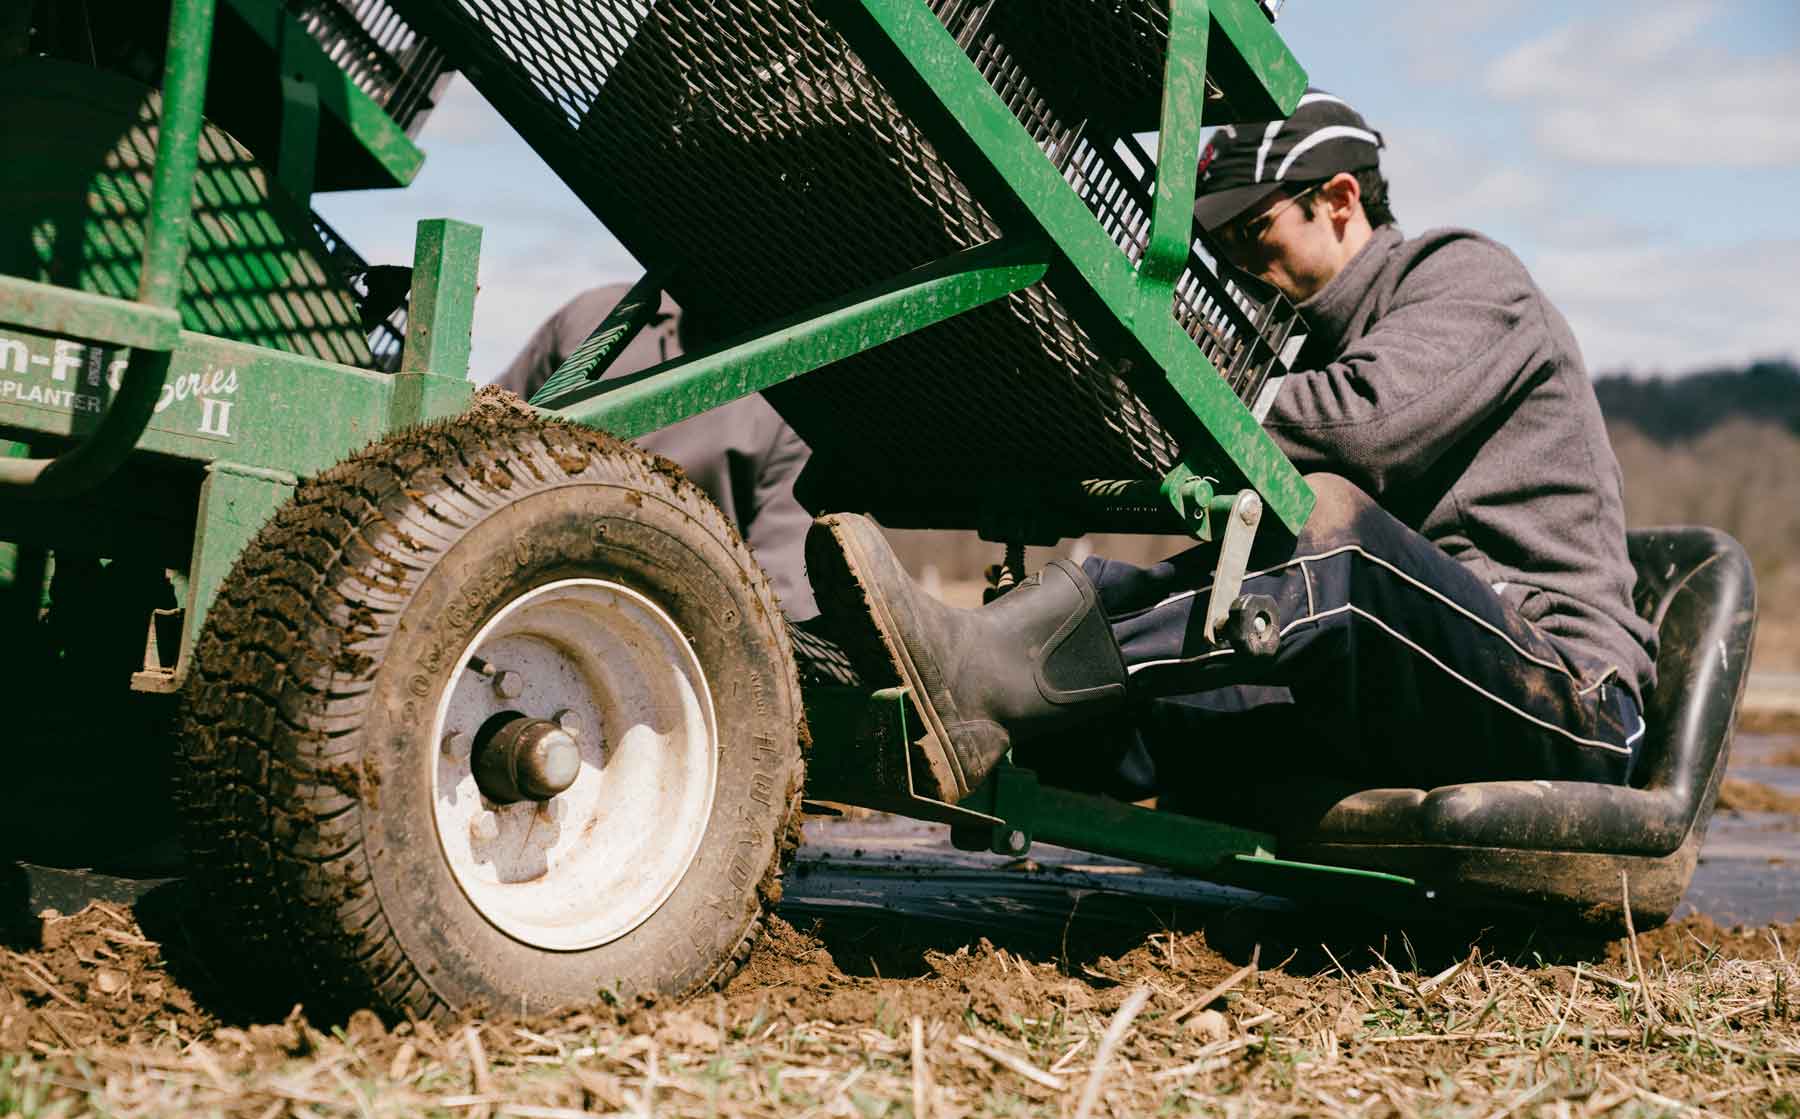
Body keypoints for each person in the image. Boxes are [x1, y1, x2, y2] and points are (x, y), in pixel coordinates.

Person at [806, 90, 1656, 810]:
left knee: (1328, 521)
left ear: (1340, 199)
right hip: (1408, 688)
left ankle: (984, 666)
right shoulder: (1316, 343)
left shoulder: (1464, 278)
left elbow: (1364, 424)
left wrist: (1193, 383)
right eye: (1225, 248)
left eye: (1254, 230)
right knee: (1154, 704)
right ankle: (959, 715)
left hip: (1562, 693)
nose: (1244, 264)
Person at [493, 285, 818, 620]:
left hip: (662, 625)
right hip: (514, 571)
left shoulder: (792, 410)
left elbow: (778, 598)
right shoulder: (597, 317)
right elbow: (484, 433)